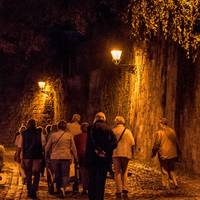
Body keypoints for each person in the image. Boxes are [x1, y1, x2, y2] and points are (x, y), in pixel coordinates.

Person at [85, 112, 117, 200]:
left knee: (92, 181)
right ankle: (100, 197)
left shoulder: (91, 128)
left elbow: (90, 142)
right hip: (104, 160)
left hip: (92, 159)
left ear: (96, 118)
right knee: (101, 182)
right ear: (104, 118)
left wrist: (97, 150)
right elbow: (115, 143)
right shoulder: (109, 129)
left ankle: (92, 197)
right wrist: (106, 150)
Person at [45, 120, 78, 198]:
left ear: (58, 127)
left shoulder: (53, 135)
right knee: (65, 174)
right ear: (65, 127)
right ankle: (63, 188)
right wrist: (76, 157)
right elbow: (73, 148)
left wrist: (46, 156)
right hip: (66, 157)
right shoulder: (69, 135)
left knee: (57, 174)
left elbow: (47, 148)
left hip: (55, 157)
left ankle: (59, 188)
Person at [16, 119, 46, 199]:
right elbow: (43, 145)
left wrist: (18, 155)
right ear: (35, 124)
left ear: (28, 124)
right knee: (36, 174)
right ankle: (34, 189)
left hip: (27, 156)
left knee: (28, 173)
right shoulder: (40, 133)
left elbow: (20, 146)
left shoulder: (24, 134)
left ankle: (30, 189)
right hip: (37, 156)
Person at [151, 117, 181, 189]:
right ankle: (175, 184)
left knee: (164, 169)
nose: (158, 125)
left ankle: (166, 185)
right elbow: (176, 142)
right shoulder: (172, 131)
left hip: (164, 153)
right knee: (171, 169)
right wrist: (178, 152)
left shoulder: (159, 133)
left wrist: (153, 152)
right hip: (173, 154)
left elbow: (157, 144)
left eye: (159, 123)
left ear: (162, 124)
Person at [112, 116, 135, 198]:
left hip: (116, 153)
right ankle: (125, 188)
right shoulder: (128, 132)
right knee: (125, 171)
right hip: (126, 153)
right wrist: (133, 153)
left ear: (116, 122)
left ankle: (118, 190)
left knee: (117, 171)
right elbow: (132, 143)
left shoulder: (113, 131)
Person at [74, 122, 89, 195]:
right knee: (90, 172)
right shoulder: (91, 136)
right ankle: (89, 187)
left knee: (83, 173)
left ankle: (84, 188)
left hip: (81, 156)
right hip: (89, 156)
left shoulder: (76, 137)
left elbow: (74, 148)